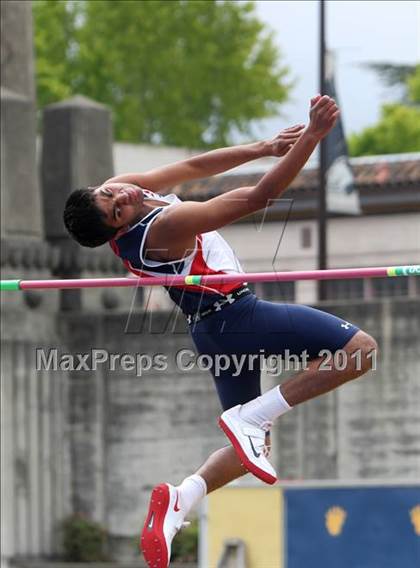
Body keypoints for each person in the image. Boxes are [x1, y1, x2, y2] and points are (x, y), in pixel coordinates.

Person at [63, 95, 377, 568]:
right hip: (237, 317)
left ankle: (180, 501)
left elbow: (191, 165)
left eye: (108, 193)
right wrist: (311, 137)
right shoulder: (162, 229)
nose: (120, 197)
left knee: (251, 446)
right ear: (116, 229)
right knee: (360, 350)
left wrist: (263, 147)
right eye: (115, 209)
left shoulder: (118, 189)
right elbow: (257, 199)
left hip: (211, 333)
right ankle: (252, 416)